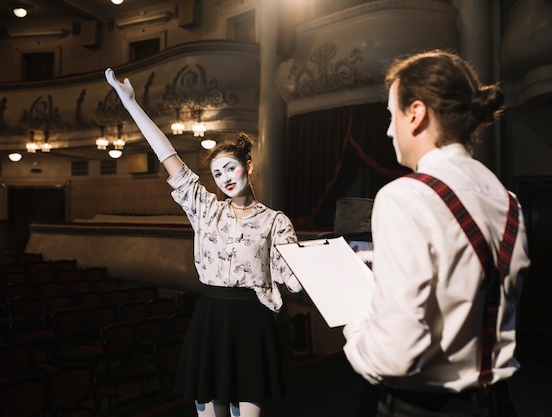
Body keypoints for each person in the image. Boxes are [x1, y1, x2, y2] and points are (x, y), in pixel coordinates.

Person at [342, 50, 530, 417]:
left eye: (391, 115)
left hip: (424, 407)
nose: (388, 130)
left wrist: (356, 324)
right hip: (497, 404)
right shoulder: (509, 201)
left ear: (415, 113)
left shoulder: (405, 197)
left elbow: (395, 354)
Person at [105, 68, 303, 417]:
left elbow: (293, 282)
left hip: (251, 321)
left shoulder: (276, 221)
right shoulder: (206, 209)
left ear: (249, 166)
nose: (225, 178)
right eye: (217, 173)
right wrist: (131, 104)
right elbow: (168, 156)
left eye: (230, 168)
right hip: (210, 316)